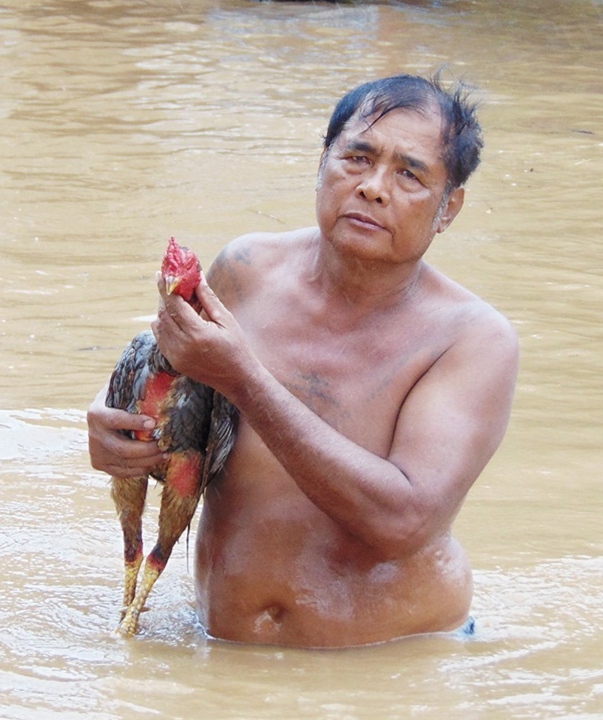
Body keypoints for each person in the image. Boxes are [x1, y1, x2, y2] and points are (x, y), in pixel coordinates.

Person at [87, 73, 518, 647]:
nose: (373, 187)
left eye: (409, 174)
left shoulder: (472, 339)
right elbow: (167, 388)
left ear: (448, 208)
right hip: (221, 650)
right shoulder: (246, 269)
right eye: (357, 158)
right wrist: (111, 426)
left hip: (391, 665)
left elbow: (404, 520)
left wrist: (244, 379)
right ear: (322, 163)